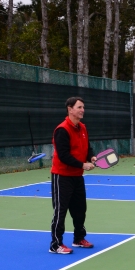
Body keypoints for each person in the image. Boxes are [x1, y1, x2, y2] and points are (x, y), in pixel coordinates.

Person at [50, 96, 96, 254]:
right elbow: (63, 155)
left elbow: (87, 148)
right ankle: (56, 244)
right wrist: (82, 164)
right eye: (79, 107)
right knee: (60, 211)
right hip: (62, 176)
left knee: (80, 209)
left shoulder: (82, 127)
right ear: (70, 109)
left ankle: (78, 239)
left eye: (83, 107)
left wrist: (92, 157)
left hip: (77, 177)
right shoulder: (62, 129)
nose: (82, 110)